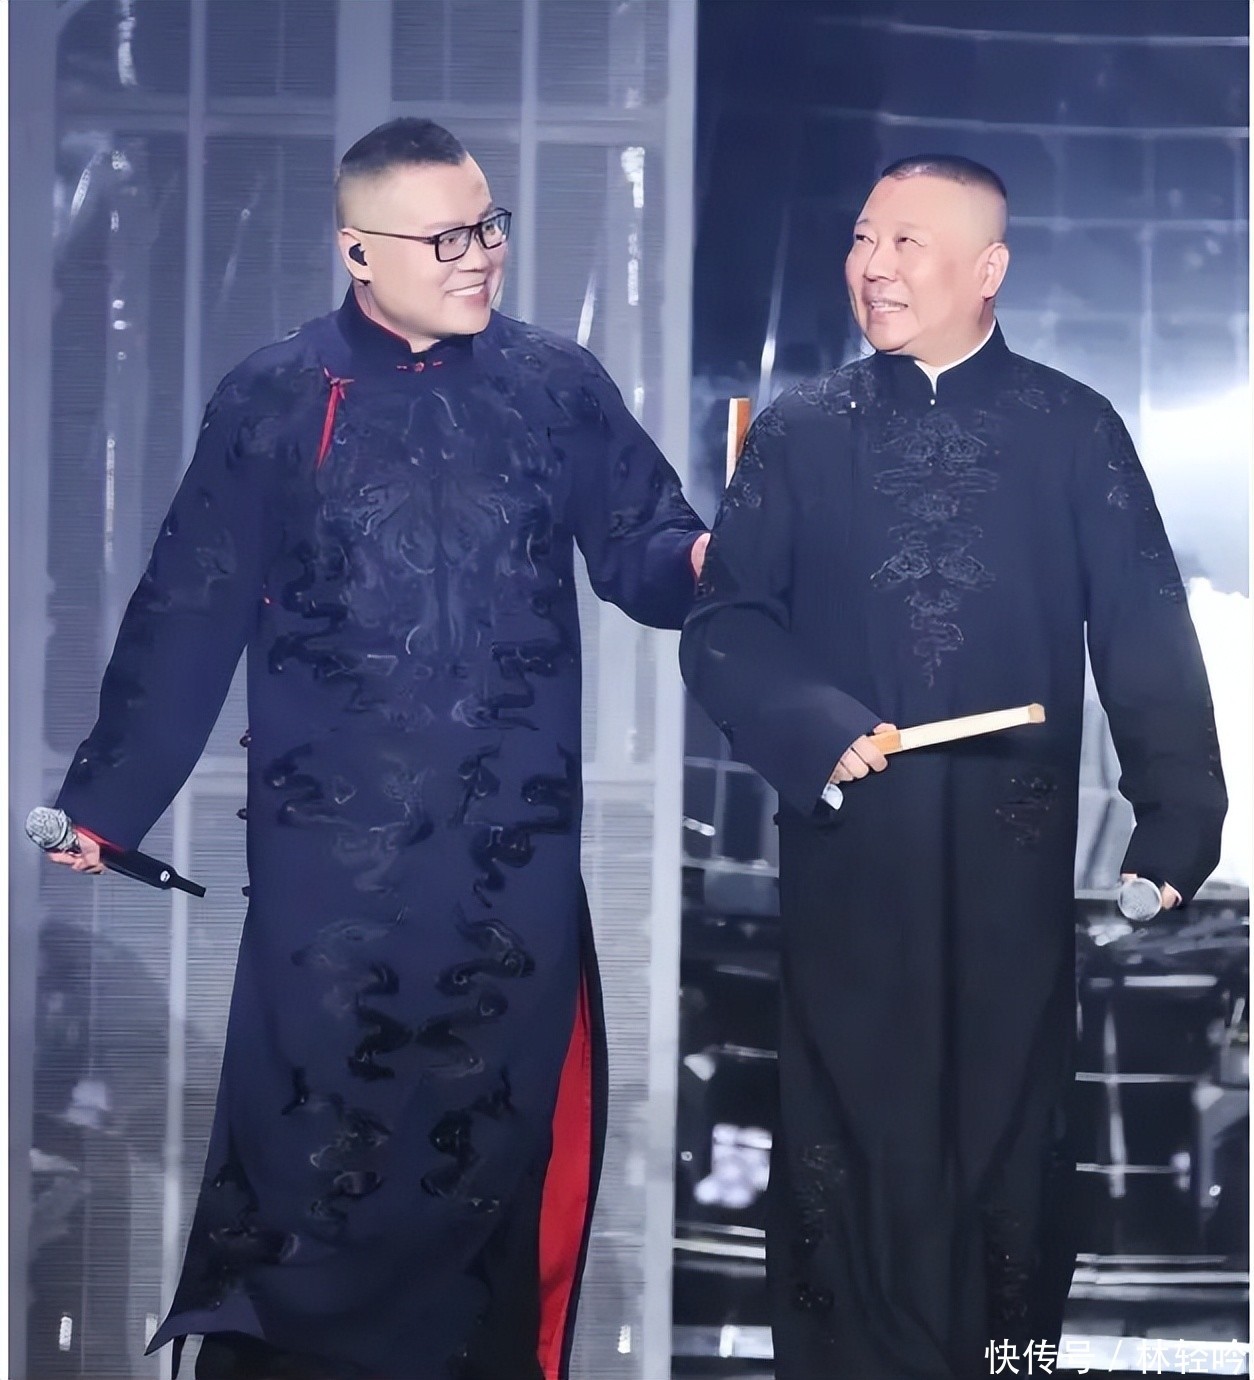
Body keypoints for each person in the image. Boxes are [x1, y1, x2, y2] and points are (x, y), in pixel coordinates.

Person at [48, 117, 707, 1380]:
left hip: (506, 864)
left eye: (489, 226)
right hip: (330, 873)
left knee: (487, 1162)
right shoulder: (275, 397)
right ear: (357, 250)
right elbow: (189, 607)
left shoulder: (555, 385)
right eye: (445, 237)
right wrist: (107, 803)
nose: (481, 255)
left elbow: (644, 546)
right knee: (315, 1167)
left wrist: (712, 558)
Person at [680, 155, 1226, 1380]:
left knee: (1006, 1136)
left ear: (989, 271)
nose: (873, 267)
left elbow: (1144, 632)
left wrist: (1177, 818)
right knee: (846, 1140)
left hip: (1008, 860)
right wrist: (809, 721)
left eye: (907, 244)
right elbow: (726, 628)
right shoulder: (800, 432)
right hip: (848, 852)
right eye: (862, 239)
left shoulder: (1073, 428)